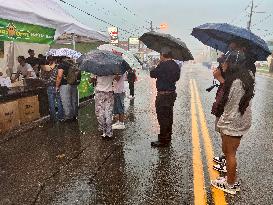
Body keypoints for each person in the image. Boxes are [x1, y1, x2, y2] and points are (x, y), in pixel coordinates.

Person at [210, 40, 256, 195]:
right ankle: (230, 178)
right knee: (229, 151)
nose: (223, 64)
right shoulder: (247, 75)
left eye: (226, 62)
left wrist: (221, 79)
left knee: (230, 154)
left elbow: (229, 101)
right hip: (240, 120)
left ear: (232, 63)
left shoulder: (235, 82)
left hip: (233, 122)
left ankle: (231, 184)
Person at [150, 47, 181, 147]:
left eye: (160, 55)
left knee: (162, 117)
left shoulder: (162, 65)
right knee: (169, 116)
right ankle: (168, 137)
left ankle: (163, 140)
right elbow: (177, 78)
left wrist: (157, 65)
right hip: (171, 94)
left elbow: (152, 74)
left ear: (163, 55)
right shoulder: (176, 65)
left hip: (163, 95)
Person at [90, 75, 115, 139]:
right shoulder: (111, 70)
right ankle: (109, 133)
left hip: (99, 94)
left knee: (100, 113)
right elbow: (116, 79)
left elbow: (91, 80)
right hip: (109, 93)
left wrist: (94, 79)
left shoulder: (97, 69)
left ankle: (104, 132)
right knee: (108, 113)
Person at [42, 56, 64, 122]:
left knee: (51, 103)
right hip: (57, 86)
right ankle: (60, 117)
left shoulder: (45, 67)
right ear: (55, 60)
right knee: (59, 102)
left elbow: (43, 77)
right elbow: (59, 77)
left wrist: (46, 82)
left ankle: (54, 118)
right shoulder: (58, 67)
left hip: (49, 87)